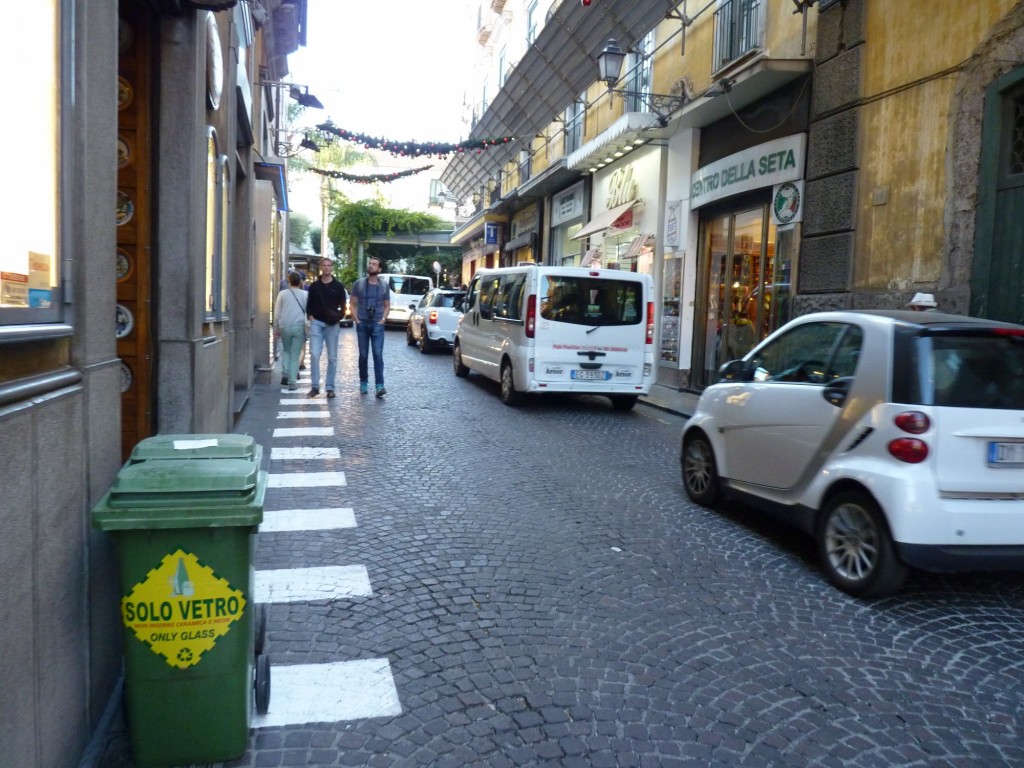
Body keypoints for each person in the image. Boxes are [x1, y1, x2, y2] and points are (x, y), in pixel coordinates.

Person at [306, 257, 348, 398]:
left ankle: (330, 387)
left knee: (332, 357)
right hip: (317, 323)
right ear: (321, 267)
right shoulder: (314, 286)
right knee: (314, 354)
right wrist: (311, 317)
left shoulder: (338, 286)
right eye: (324, 265)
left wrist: (339, 317)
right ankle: (315, 387)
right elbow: (309, 304)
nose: (327, 268)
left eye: (329, 265)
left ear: (332, 267)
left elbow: (344, 306)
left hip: (332, 325)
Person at [349, 257, 390, 397]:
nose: (371, 266)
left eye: (374, 264)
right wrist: (357, 320)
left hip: (377, 324)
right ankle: (363, 383)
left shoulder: (384, 285)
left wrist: (383, 320)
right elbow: (352, 303)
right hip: (362, 323)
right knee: (363, 355)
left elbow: (387, 305)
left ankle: (380, 386)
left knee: (377, 354)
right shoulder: (359, 284)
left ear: (379, 269)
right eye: (370, 263)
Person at [273, 271, 308, 391]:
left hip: (285, 326)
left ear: (289, 281)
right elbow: (308, 312)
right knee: (295, 354)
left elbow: (277, 313)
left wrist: (276, 328)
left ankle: (285, 373)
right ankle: (292, 381)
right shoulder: (305, 294)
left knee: (286, 351)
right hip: (299, 326)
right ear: (300, 282)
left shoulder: (282, 294)